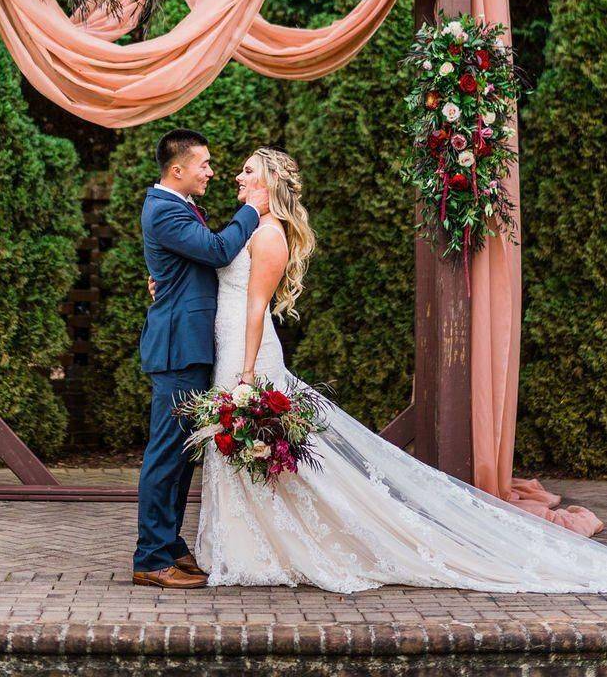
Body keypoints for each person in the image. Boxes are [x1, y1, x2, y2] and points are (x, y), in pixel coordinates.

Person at [192, 146, 607, 593]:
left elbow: (257, 306)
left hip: (248, 355)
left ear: (269, 181)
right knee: (251, 452)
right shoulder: (249, 228)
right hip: (232, 347)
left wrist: (249, 372)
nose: (237, 175)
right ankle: (248, 545)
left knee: (262, 450)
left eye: (247, 170)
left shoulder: (269, 235)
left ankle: (275, 547)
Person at [132, 128, 269, 589]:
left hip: (190, 343)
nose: (211, 170)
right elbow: (215, 250)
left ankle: (170, 547)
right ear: (178, 170)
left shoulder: (176, 207)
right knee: (165, 454)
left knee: (181, 454)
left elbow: (187, 266)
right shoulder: (164, 209)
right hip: (176, 347)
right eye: (204, 164)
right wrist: (252, 210)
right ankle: (151, 558)